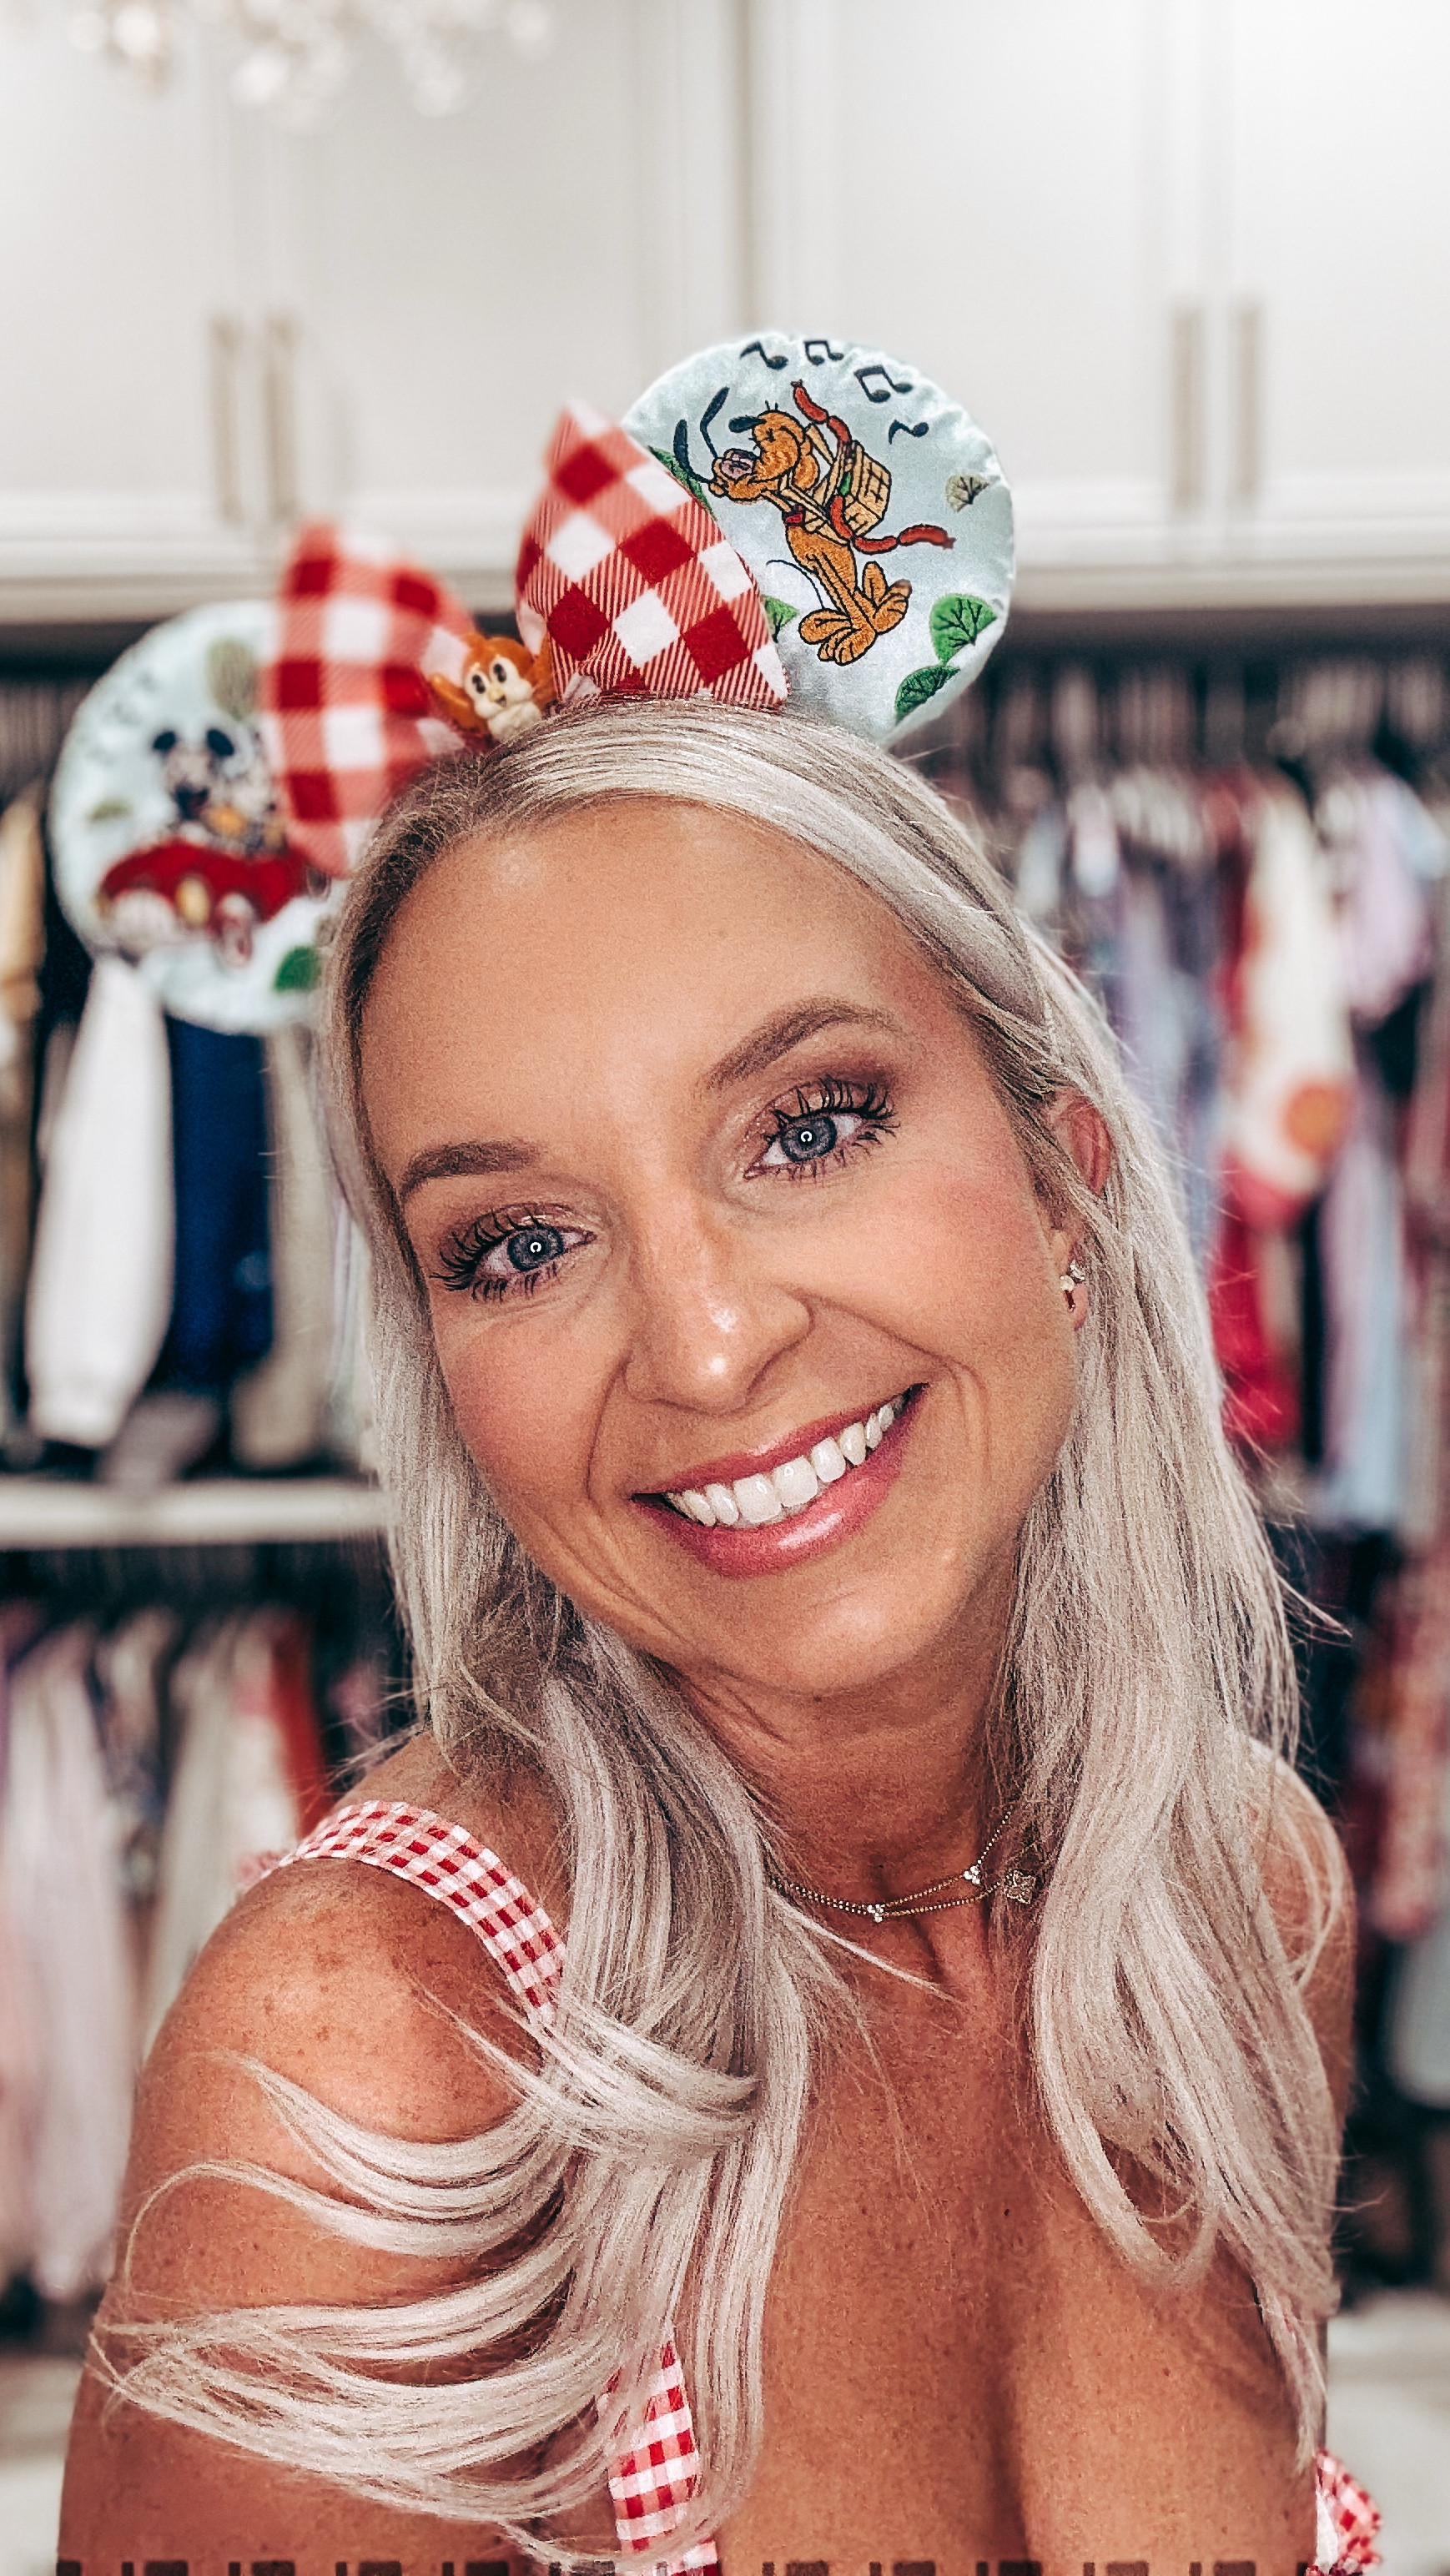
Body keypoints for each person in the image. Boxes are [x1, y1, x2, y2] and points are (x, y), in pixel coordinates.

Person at [60, 699, 1372, 2573]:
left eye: (805, 1129)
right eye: (520, 1243)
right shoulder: (380, 2071)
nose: (702, 1347)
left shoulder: (1243, 1898)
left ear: (1065, 1177)